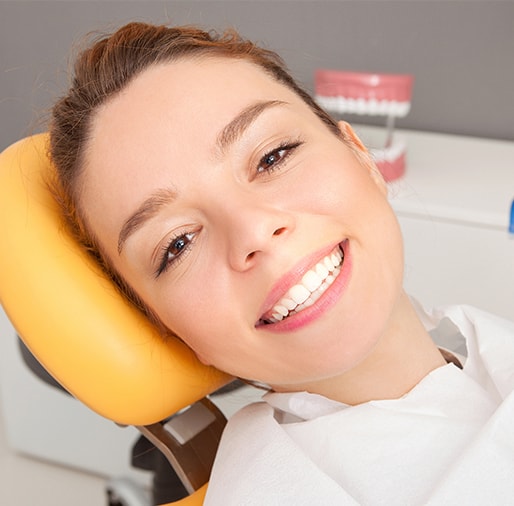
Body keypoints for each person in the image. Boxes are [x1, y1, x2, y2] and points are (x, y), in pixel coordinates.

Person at [49, 22, 514, 505]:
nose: (253, 232)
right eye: (178, 243)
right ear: (161, 324)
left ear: (360, 155)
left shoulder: (484, 348)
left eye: (272, 157)